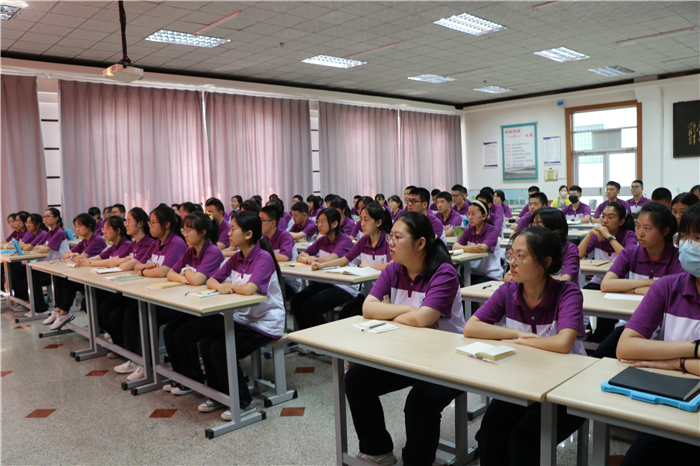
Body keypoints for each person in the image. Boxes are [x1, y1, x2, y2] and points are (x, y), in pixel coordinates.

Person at [344, 212, 465, 466]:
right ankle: (378, 449)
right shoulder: (393, 269)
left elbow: (422, 319)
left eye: (397, 238)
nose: (390, 243)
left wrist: (393, 313)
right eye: (390, 237)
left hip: (447, 361)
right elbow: (368, 308)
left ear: (420, 243)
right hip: (406, 354)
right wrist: (411, 311)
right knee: (355, 379)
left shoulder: (443, 273)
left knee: (420, 403)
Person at [464, 226, 586, 466]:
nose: (512, 262)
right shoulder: (508, 290)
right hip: (521, 383)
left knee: (522, 441)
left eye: (521, 256)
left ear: (546, 262)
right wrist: (517, 333)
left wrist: (518, 341)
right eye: (511, 254)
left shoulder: (567, 292)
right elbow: (472, 327)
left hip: (563, 388)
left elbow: (563, 343)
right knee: (489, 434)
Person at [615, 203, 700, 466]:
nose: (688, 245)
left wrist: (676, 363)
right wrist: (695, 350)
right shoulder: (668, 287)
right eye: (684, 237)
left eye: (697, 238)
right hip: (674, 399)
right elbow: (626, 348)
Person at [198, 211, 286, 420]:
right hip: (244, 318)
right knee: (206, 342)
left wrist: (227, 286)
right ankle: (219, 394)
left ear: (248, 234)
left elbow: (249, 290)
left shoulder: (263, 257)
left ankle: (245, 402)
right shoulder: (237, 257)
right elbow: (211, 280)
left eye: (233, 229)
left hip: (265, 322)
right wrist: (221, 286)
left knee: (221, 350)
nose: (228, 233)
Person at [594, 203, 683, 358]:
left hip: (667, 326)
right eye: (638, 226)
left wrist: (628, 288)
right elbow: (606, 284)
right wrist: (651, 284)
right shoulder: (631, 253)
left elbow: (675, 294)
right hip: (631, 322)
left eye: (647, 228)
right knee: (601, 354)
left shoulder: (678, 257)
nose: (640, 233)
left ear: (665, 231)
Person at [115, 204, 187, 382]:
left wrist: (143, 271)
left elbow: (164, 272)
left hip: (174, 298)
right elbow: (138, 264)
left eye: (153, 223)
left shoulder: (176, 243)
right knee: (131, 312)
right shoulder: (156, 243)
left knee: (141, 315)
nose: (150, 226)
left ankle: (145, 363)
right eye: (150, 222)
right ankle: (136, 359)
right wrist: (145, 268)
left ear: (167, 224)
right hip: (156, 293)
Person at [161, 211, 225, 396]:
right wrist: (185, 277)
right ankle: (181, 377)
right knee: (169, 331)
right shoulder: (190, 251)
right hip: (196, 304)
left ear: (202, 232)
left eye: (189, 230)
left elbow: (197, 280)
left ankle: (193, 379)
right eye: (184, 230)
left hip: (216, 309)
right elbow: (170, 273)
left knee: (182, 334)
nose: (185, 234)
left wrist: (185, 272)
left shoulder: (212, 251)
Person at [311, 202, 392, 319]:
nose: (362, 224)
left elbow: (392, 264)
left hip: (385, 294)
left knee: (357, 315)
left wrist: (370, 267)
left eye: (366, 220)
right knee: (345, 314)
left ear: (378, 222)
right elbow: (344, 260)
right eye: (361, 219)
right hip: (367, 292)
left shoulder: (388, 240)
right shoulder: (363, 240)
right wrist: (321, 266)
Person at [578, 202, 637, 342]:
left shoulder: (628, 235)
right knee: (577, 299)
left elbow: (628, 259)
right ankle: (584, 335)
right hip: (597, 282)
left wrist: (609, 237)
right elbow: (577, 255)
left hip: (620, 286)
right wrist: (590, 234)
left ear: (621, 221)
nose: (604, 220)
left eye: (610, 217)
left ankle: (599, 341)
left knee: (606, 317)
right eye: (603, 216)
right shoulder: (597, 235)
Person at [291, 208, 357, 332]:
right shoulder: (323, 239)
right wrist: (308, 259)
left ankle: (322, 337)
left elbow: (330, 260)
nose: (319, 225)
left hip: (342, 284)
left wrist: (313, 259)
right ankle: (305, 336)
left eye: (323, 221)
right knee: (296, 301)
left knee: (310, 306)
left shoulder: (345, 240)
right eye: (318, 221)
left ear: (335, 224)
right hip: (324, 281)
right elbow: (300, 256)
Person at [46, 213, 107, 330]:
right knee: (59, 277)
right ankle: (58, 311)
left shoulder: (97, 240)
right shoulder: (84, 241)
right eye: (76, 226)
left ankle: (64, 313)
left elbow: (80, 258)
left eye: (80, 226)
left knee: (68, 280)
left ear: (89, 226)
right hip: (86, 274)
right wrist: (72, 255)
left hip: (97, 278)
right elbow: (65, 255)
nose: (77, 229)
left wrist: (73, 256)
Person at [453, 200, 503, 293]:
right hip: (472, 272)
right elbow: (455, 247)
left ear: (484, 216)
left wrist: (464, 249)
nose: (470, 217)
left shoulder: (492, 230)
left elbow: (481, 249)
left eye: (473, 214)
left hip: (490, 274)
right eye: (468, 214)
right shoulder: (469, 230)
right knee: (454, 285)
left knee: (465, 289)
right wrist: (470, 248)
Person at [259, 205, 300, 298]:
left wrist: (262, 257)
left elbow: (284, 257)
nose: (258, 224)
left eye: (262, 220)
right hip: (273, 277)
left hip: (288, 281)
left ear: (273, 223)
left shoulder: (285, 236)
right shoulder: (263, 238)